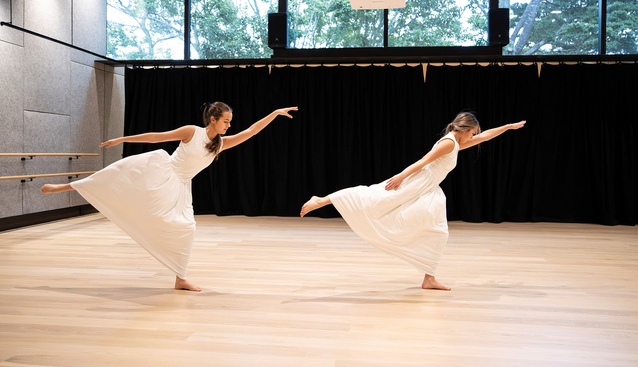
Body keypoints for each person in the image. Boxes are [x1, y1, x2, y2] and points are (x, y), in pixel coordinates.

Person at [42, 102, 298, 292]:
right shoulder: (192, 132)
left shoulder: (220, 143)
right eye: (226, 121)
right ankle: (66, 187)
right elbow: (157, 136)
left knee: (186, 227)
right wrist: (122, 139)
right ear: (212, 119)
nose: (229, 125)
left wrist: (274, 114)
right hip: (162, 173)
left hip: (180, 187)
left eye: (230, 122)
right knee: (119, 177)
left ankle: (180, 278)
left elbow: (252, 131)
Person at [300, 112, 526, 291]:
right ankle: (321, 200)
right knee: (373, 199)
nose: (474, 136)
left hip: (430, 189)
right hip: (418, 183)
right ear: (464, 129)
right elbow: (423, 161)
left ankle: (429, 278)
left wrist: (507, 127)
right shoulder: (448, 143)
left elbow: (484, 137)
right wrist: (401, 177)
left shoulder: (456, 142)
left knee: (438, 231)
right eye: (473, 132)